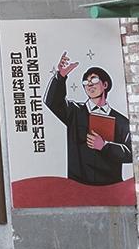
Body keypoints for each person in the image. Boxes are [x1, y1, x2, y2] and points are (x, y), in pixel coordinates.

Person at [45, 53, 134, 185]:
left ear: (105, 84)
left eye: (94, 80)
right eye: (86, 82)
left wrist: (105, 146)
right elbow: (52, 102)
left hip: (110, 187)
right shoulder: (74, 112)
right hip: (79, 186)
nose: (89, 85)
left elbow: (131, 153)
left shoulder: (121, 121)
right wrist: (61, 76)